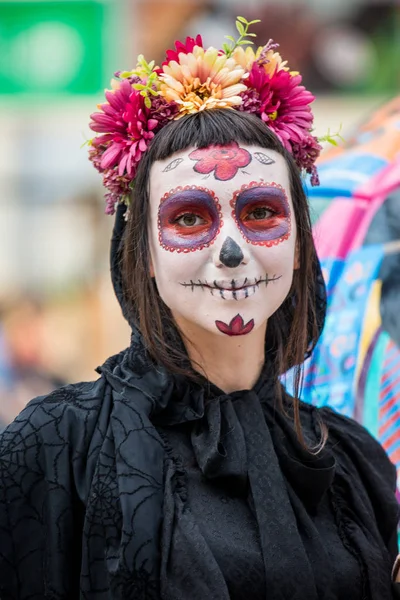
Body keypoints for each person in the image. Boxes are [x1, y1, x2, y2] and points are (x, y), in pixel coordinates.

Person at [0, 17, 399, 600]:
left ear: (298, 239)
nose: (231, 251)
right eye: (189, 218)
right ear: (144, 256)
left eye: (261, 212)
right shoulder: (57, 444)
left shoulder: (351, 456)